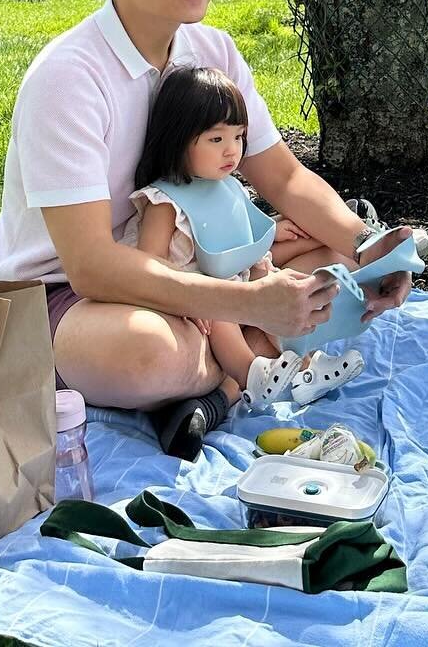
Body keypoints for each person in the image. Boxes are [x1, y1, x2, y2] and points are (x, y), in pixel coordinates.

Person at [0, 0, 415, 459]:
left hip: (197, 265)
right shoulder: (68, 78)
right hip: (68, 298)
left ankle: (215, 376)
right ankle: (234, 374)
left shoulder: (213, 51)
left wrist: (370, 251)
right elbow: (90, 266)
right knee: (145, 354)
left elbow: (283, 175)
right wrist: (245, 303)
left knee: (335, 263)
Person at [126, 65, 365, 411]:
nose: (232, 151)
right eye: (216, 139)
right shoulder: (164, 202)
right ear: (178, 138)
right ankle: (251, 373)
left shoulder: (228, 187)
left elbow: (234, 231)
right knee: (223, 310)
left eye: (238, 137)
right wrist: (186, 299)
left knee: (283, 290)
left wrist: (271, 233)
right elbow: (148, 263)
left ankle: (310, 366)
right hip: (200, 303)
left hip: (240, 281)